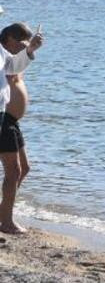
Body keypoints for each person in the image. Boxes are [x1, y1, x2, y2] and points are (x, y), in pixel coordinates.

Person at [0, 23, 43, 234]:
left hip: (11, 120)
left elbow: (14, 67)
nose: (22, 47)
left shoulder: (7, 56)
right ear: (8, 38)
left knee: (23, 168)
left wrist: (29, 50)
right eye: (20, 43)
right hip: (4, 118)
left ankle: (3, 213)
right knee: (14, 170)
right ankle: (5, 221)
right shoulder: (4, 53)